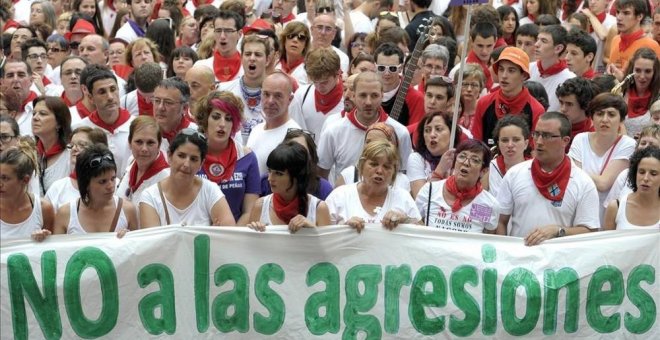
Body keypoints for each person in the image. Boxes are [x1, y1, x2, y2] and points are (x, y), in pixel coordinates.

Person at [496, 112, 600, 245]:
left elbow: (590, 231)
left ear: (565, 141)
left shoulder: (583, 182)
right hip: (519, 260)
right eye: (536, 134)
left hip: (559, 262)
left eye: (546, 136)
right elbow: (500, 221)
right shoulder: (514, 174)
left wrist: (558, 231)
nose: (538, 142)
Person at [317, 71, 412, 183]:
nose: (368, 102)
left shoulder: (400, 132)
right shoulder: (334, 131)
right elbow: (321, 174)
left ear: (382, 95)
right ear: (353, 96)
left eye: (374, 95)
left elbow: (404, 175)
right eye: (363, 95)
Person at [139, 129, 235, 227]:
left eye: (193, 159)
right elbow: (153, 241)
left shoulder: (210, 190)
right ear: (169, 156)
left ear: (201, 164)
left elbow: (230, 233)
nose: (186, 164)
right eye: (181, 156)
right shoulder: (150, 197)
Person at [326, 140, 421, 233]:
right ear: (361, 166)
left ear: (394, 172)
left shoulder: (403, 197)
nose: (379, 171)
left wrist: (405, 220)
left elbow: (422, 234)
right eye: (374, 164)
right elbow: (322, 237)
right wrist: (343, 229)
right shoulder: (339, 196)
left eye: (387, 167)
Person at [569, 92, 636, 222]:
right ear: (592, 117)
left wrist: (576, 171)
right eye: (599, 114)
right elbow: (573, 180)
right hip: (577, 210)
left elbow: (603, 183)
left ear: (621, 120)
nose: (604, 119)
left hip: (606, 217)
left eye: (611, 114)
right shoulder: (580, 139)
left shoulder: (628, 144)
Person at [196, 91, 260, 225]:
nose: (222, 124)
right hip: (198, 232)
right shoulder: (191, 154)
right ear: (205, 119)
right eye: (216, 117)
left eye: (229, 118)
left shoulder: (247, 157)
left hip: (235, 235)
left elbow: (250, 211)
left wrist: (231, 235)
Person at [415, 139, 499, 233]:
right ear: (454, 162)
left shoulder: (487, 204)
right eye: (462, 156)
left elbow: (488, 239)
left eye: (475, 160)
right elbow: (414, 223)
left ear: (483, 171)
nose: (466, 163)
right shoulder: (429, 190)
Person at [53, 145, 138, 234]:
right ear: (86, 184)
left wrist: (128, 240)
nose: (110, 186)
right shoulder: (65, 214)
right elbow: (56, 247)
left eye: (113, 179)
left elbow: (138, 246)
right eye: (102, 181)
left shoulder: (128, 210)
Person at [247, 141, 330, 233]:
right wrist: (256, 233)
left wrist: (312, 229)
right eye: (269, 171)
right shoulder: (260, 206)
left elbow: (328, 246)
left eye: (279, 173)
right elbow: (250, 246)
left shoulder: (319, 208)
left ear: (297, 176)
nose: (270, 178)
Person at [470, 47, 545, 147]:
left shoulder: (536, 110)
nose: (504, 75)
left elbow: (533, 151)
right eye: (501, 69)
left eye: (511, 70)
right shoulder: (484, 103)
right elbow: (476, 145)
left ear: (524, 75)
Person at [73, 64, 135, 178]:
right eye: (102, 92)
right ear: (91, 98)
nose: (110, 97)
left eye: (113, 89)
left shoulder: (135, 126)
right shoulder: (80, 129)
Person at [218, 35, 271, 144]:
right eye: (247, 54)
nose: (252, 58)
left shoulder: (279, 94)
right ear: (241, 58)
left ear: (267, 60)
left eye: (258, 54)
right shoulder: (223, 91)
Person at [246, 72, 301, 175]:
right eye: (266, 94)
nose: (270, 101)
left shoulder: (295, 136)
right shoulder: (256, 130)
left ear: (290, 99)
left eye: (278, 96)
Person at [0, 140, 55, 241]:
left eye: (5, 178)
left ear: (25, 180)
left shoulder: (44, 209)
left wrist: (43, 238)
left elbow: (52, 248)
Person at [260, 128, 334, 200]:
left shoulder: (323, 188)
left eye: (301, 151)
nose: (271, 178)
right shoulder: (265, 182)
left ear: (311, 156)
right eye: (290, 150)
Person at [45, 126, 108, 210]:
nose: (74, 149)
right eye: (71, 145)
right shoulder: (58, 187)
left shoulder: (111, 184)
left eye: (82, 145)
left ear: (99, 149)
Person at [336, 122, 411, 191]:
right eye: (368, 141)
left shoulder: (402, 181)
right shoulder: (349, 174)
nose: (370, 146)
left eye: (376, 142)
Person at [289, 47, 344, 141]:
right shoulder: (301, 95)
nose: (319, 87)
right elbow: (294, 132)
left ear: (338, 73)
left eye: (324, 82)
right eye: (315, 82)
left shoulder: (348, 100)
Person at [603, 146, 660, 230]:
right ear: (634, 173)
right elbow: (607, 242)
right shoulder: (615, 207)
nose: (645, 178)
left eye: (653, 174)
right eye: (641, 172)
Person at [116, 116, 170, 205]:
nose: (144, 149)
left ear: (159, 145)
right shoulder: (131, 161)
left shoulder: (166, 178)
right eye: (139, 142)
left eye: (150, 143)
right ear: (129, 142)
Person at [604, 124, 660, 207]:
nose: (646, 147)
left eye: (652, 145)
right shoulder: (625, 175)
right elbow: (610, 208)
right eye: (643, 143)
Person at [375, 43, 424, 127]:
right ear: (375, 66)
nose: (387, 73)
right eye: (382, 68)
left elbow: (416, 131)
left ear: (401, 68)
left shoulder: (416, 98)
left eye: (392, 68)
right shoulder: (367, 92)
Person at [528, 25, 576, 112]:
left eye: (544, 41)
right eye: (537, 39)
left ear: (558, 48)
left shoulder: (569, 79)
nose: (536, 44)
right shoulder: (527, 68)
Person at [32, 96, 73, 195]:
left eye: (42, 114)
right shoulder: (28, 153)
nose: (35, 118)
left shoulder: (71, 155)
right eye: (34, 113)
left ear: (59, 123)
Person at [608, 0, 660, 76]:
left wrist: (623, 80)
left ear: (640, 16)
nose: (619, 17)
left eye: (626, 13)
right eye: (618, 12)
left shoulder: (651, 45)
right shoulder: (615, 39)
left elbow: (656, 81)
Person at [619, 48, 660, 138]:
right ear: (631, 70)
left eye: (648, 71)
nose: (642, 76)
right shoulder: (620, 92)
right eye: (637, 70)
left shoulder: (659, 97)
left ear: (655, 72)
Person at [487, 115, 531, 198]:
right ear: (498, 143)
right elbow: (479, 202)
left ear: (526, 144)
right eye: (504, 140)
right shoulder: (489, 168)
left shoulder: (534, 169)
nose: (510, 145)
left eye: (516, 139)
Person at [194, 10, 244, 82]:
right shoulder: (200, 67)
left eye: (228, 31)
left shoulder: (248, 68)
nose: (222, 36)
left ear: (239, 34)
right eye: (218, 31)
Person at [152, 77, 198, 152]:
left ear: (184, 108)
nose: (160, 107)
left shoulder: (196, 134)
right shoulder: (144, 134)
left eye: (168, 102)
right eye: (157, 101)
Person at [556, 77, 597, 150]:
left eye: (569, 104)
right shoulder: (553, 127)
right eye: (561, 102)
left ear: (585, 104)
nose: (563, 109)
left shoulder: (595, 135)